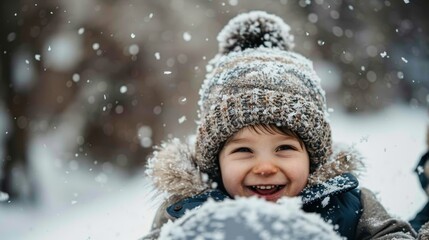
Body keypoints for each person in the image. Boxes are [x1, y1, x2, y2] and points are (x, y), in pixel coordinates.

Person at [144, 11, 417, 239]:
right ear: (215, 162)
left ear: (312, 157)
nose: (265, 168)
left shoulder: (348, 204)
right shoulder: (185, 211)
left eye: (284, 148)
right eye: (243, 151)